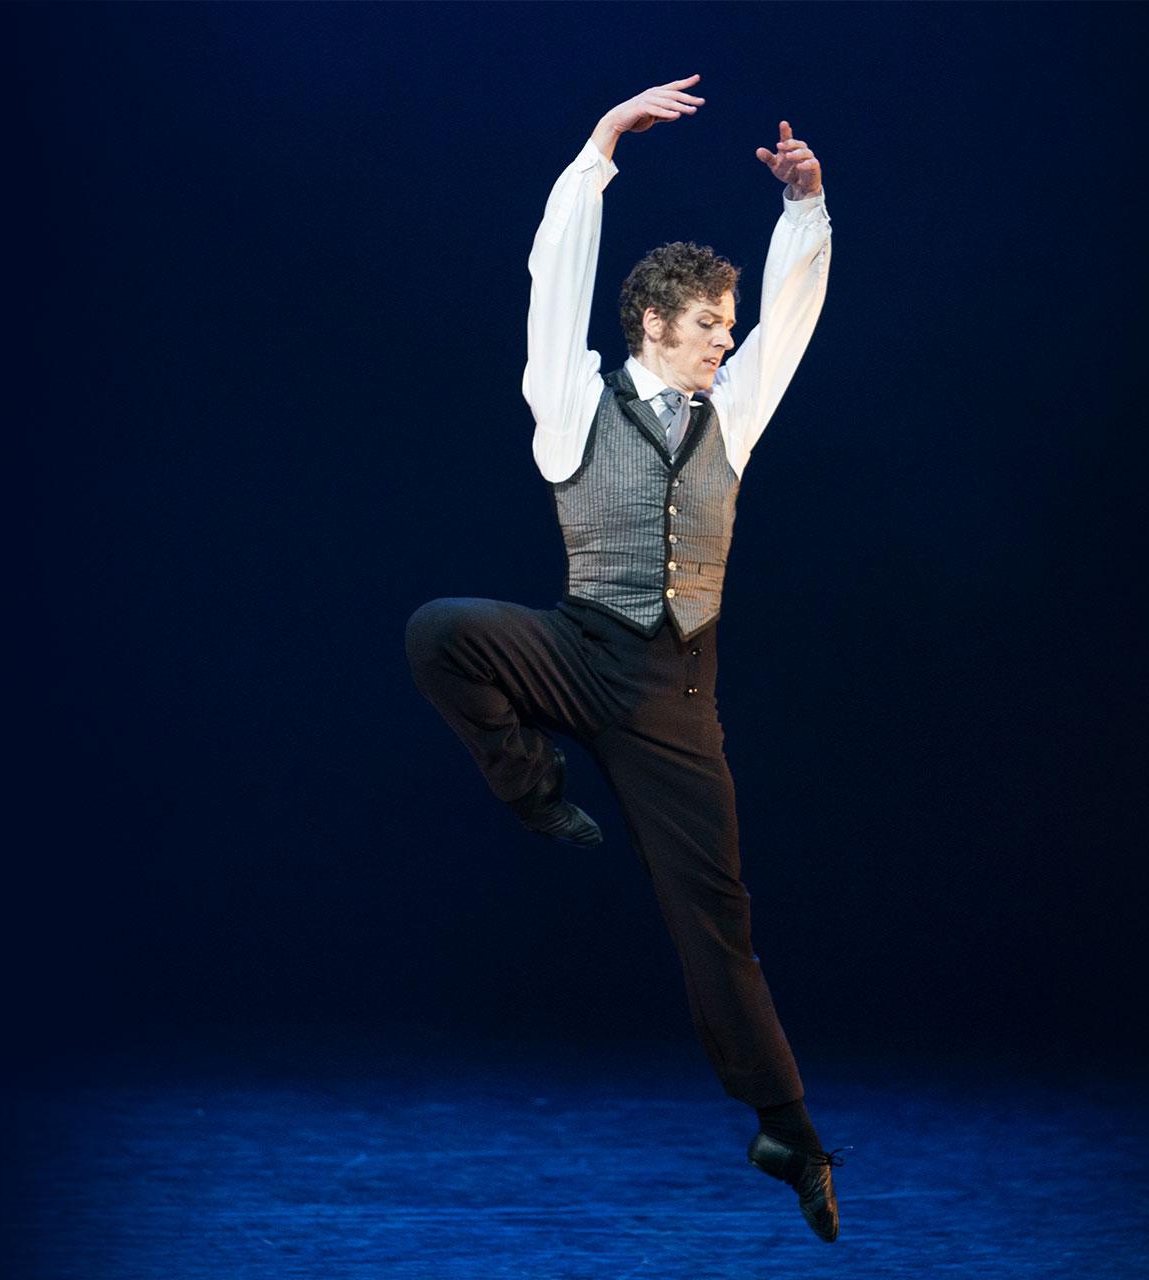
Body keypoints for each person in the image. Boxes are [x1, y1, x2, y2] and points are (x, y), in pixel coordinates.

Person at [403, 75, 848, 1242]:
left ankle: (787, 1128)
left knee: (717, 916)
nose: (726, 338)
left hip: (675, 694)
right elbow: (554, 281)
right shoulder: (569, 398)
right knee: (441, 629)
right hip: (576, 648)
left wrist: (804, 211)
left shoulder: (732, 411)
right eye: (709, 322)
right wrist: (599, 144)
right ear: (652, 319)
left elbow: (791, 320)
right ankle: (536, 796)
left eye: (727, 324)